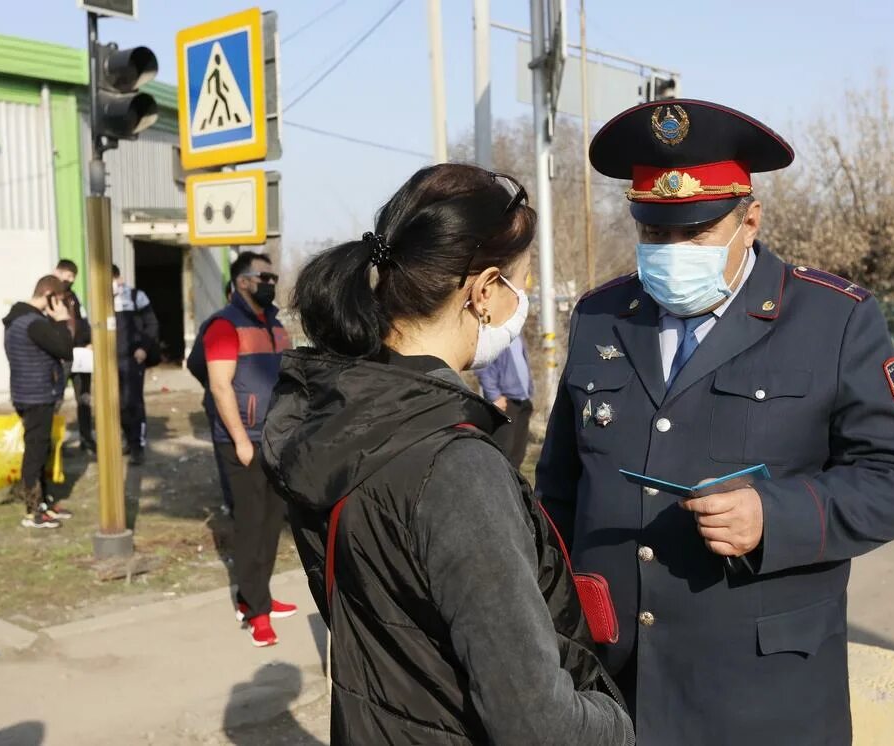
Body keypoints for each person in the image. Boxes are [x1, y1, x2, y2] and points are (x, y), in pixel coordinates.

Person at [536, 100, 894, 745]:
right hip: (612, 679)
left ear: (749, 221)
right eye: (655, 234)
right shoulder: (602, 315)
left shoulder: (834, 320)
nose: (671, 253)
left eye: (694, 234)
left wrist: (774, 517)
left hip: (764, 692)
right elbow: (559, 488)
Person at [261, 164, 634, 745]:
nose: (524, 301)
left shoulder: (339, 418)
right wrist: (619, 721)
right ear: (484, 292)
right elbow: (537, 723)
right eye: (520, 283)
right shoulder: (453, 466)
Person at [199, 251, 295, 646]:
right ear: (243, 282)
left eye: (273, 277)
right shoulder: (224, 325)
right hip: (243, 442)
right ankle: (256, 612)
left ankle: (260, 596)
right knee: (251, 524)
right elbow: (221, 386)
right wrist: (240, 438)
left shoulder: (275, 324)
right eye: (264, 277)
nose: (271, 283)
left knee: (272, 522)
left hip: (276, 438)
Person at [2, 276, 76, 529]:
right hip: (36, 395)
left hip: (28, 393)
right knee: (35, 451)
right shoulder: (33, 323)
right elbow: (66, 349)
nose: (60, 305)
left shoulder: (19, 319)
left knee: (41, 449)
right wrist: (63, 321)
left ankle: (43, 503)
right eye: (58, 300)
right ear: (48, 295)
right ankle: (33, 512)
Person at [112, 264, 159, 466]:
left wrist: (144, 349)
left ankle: (137, 447)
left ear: (117, 277)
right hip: (110, 361)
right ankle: (127, 440)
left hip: (132, 359)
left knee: (133, 403)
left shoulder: (134, 296)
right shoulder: (101, 299)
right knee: (118, 404)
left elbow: (152, 323)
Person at [52, 259, 94, 454]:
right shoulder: (49, 296)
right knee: (55, 399)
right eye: (66, 276)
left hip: (80, 354)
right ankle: (50, 443)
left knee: (84, 397)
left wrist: (89, 341)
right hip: (60, 356)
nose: (69, 280)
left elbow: (83, 322)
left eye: (72, 278)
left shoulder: (74, 298)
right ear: (57, 272)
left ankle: (87, 439)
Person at [475, 335, 534, 468]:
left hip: (523, 400)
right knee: (502, 452)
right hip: (505, 402)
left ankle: (514, 487)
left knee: (518, 454)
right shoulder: (495, 334)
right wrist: (494, 396)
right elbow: (484, 369)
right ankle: (497, 486)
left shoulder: (518, 335)